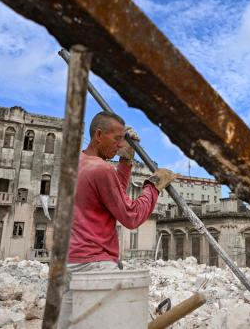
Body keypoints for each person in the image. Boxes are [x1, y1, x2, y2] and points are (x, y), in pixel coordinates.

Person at [58, 111, 176, 327]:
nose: (121, 145)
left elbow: (113, 197)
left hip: (70, 263)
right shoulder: (101, 169)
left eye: (124, 140)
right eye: (117, 139)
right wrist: (153, 186)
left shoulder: (79, 163)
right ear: (99, 135)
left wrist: (125, 161)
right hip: (95, 267)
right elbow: (130, 216)